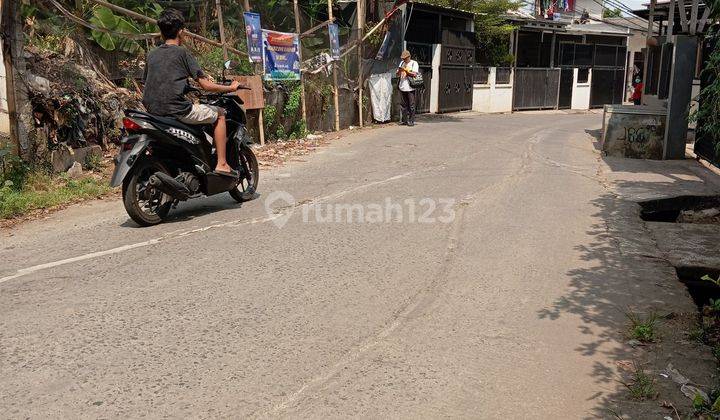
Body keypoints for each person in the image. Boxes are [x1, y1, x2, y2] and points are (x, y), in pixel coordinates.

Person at [142, 9, 240, 176]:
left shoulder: (152, 55)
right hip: (177, 110)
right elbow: (206, 85)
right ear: (181, 31)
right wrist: (231, 88)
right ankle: (222, 163)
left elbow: (149, 81)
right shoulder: (182, 53)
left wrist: (184, 85)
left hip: (153, 112)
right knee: (221, 114)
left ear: (161, 32)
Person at [397, 50, 419, 126]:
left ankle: (411, 120)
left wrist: (406, 71)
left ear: (409, 57)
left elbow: (415, 74)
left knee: (411, 105)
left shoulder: (414, 63)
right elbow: (398, 74)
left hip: (410, 87)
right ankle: (404, 120)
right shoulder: (402, 63)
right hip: (402, 86)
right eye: (403, 58)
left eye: (405, 58)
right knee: (403, 105)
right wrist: (399, 71)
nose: (404, 60)